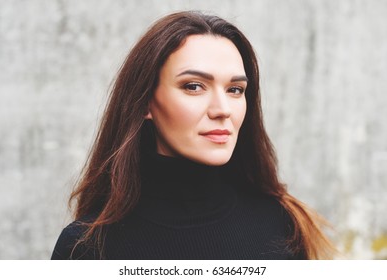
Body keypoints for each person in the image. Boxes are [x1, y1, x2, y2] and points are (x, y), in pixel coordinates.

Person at [51, 11, 335, 260]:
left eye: (235, 89)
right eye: (194, 86)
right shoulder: (86, 248)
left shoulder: (281, 223)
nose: (222, 110)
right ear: (146, 102)